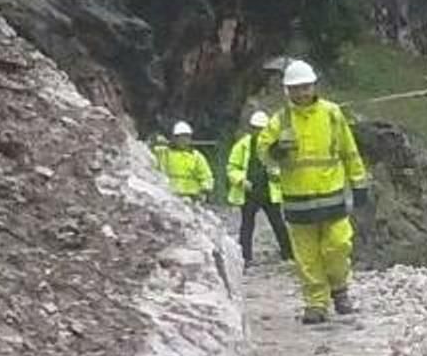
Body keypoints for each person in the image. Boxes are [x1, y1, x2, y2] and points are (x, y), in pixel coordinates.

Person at [257, 59, 371, 325]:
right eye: (295, 88)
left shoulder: (331, 113)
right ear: (287, 90)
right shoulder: (280, 120)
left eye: (305, 87)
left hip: (332, 196)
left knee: (338, 245)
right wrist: (276, 150)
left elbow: (349, 150)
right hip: (298, 202)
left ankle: (340, 289)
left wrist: (359, 182)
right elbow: (263, 152)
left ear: (314, 86)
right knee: (306, 257)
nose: (301, 93)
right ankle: (316, 303)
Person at [228, 111, 293, 265]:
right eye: (256, 128)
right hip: (250, 192)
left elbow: (285, 166)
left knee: (278, 223)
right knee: (247, 225)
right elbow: (232, 167)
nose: (259, 132)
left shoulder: (275, 146)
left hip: (269, 192)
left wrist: (277, 174)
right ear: (251, 129)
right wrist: (241, 180)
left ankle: (288, 254)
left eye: (262, 128)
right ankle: (245, 257)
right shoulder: (242, 146)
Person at [157, 121, 214, 202]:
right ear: (174, 138)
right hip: (169, 196)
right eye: (180, 137)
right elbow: (147, 152)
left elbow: (206, 176)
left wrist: (205, 190)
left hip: (192, 197)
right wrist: (157, 140)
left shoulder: (196, 156)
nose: (183, 140)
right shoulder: (164, 153)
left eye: (186, 137)